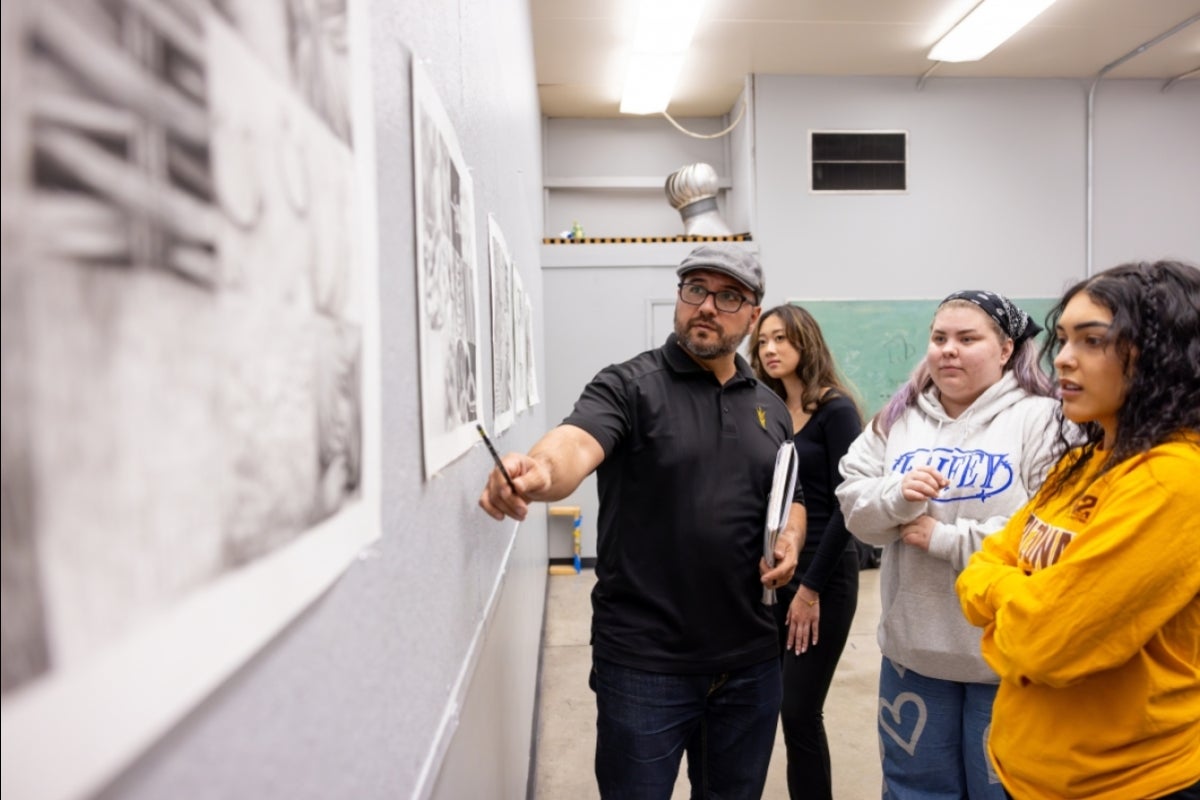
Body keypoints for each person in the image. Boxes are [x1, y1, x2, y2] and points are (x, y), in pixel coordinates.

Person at [479, 243, 805, 800]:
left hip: (750, 663)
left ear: (753, 316)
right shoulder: (630, 385)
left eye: (728, 296)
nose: (706, 306)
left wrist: (793, 536)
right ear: (679, 299)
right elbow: (576, 444)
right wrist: (536, 470)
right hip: (645, 665)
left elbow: (787, 495)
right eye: (695, 289)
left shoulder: (770, 407)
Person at [955, 260, 1200, 800]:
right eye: (1063, 339)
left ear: (1161, 356)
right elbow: (977, 570)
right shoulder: (1081, 465)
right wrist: (1018, 596)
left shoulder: (1173, 479)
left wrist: (1005, 594)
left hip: (1134, 783)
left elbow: (1046, 644)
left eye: (1092, 341)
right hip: (1041, 775)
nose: (1063, 359)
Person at [836, 290, 1061, 800]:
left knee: (1004, 792)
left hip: (1004, 660)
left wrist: (946, 540)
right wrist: (895, 497)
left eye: (967, 338)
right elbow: (853, 504)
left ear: (1005, 349)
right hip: (913, 655)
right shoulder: (898, 417)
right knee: (915, 790)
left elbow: (1053, 534)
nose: (948, 350)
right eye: (939, 338)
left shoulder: (1044, 419)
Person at [749, 304, 863, 800]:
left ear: (805, 344)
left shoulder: (835, 410)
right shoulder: (764, 408)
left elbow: (849, 508)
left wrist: (811, 589)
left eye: (781, 339)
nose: (770, 349)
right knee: (761, 703)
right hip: (773, 574)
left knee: (798, 710)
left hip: (823, 576)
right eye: (762, 341)